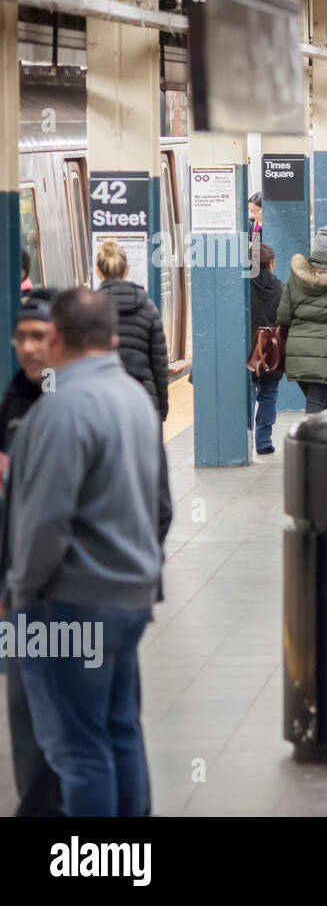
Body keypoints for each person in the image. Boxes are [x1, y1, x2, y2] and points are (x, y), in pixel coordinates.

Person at [6, 287, 172, 816]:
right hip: (126, 598)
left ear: (54, 336)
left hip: (68, 603)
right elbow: (158, 504)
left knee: (76, 751)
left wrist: (20, 592)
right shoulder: (134, 400)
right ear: (114, 338)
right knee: (120, 731)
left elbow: (44, 522)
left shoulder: (60, 412)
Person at [0, 287, 63, 816]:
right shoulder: (12, 401)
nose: (28, 348)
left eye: (38, 337)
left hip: (69, 591)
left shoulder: (76, 405)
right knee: (24, 713)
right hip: (20, 589)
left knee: (70, 720)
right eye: (20, 338)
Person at [278, 226, 327, 414]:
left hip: (297, 349)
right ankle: (312, 442)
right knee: (316, 405)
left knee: (316, 404)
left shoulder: (296, 277)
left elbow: (283, 315)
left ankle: (322, 438)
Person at [96, 239, 170, 422]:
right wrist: (161, 408)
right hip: (143, 400)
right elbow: (159, 364)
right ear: (126, 270)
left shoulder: (87, 310)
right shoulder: (147, 308)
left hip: (102, 402)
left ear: (98, 272)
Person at [247, 243, 283, 454]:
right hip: (270, 344)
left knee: (249, 393)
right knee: (269, 394)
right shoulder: (280, 287)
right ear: (271, 264)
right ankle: (263, 442)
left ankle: (246, 438)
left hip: (248, 344)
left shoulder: (242, 286)